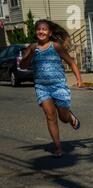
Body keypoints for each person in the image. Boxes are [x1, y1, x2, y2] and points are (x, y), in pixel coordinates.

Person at [20, 19, 83, 157]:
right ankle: (58, 147)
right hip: (42, 87)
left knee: (63, 118)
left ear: (50, 32)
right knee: (50, 116)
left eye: (44, 29)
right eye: (39, 29)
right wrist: (29, 54)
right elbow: (23, 66)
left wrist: (79, 79)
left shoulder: (56, 46)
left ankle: (70, 117)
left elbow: (71, 62)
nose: (41, 31)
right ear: (36, 32)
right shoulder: (32, 47)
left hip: (59, 85)